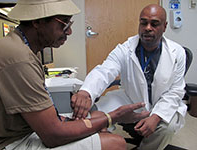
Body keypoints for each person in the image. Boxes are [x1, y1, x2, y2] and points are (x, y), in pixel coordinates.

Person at [0, 0, 150, 150]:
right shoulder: (20, 58)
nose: (69, 31)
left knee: (96, 115)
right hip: (12, 142)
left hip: (28, 129)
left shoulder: (24, 48)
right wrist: (113, 117)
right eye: (64, 23)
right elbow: (52, 136)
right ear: (37, 21)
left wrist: (100, 118)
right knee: (116, 143)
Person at [71, 4, 187, 150]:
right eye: (143, 22)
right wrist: (85, 92)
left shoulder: (177, 53)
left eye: (154, 24)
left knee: (166, 128)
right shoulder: (125, 49)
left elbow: (175, 91)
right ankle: (105, 142)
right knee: (93, 115)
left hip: (163, 103)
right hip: (131, 98)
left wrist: (156, 116)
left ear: (164, 27)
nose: (148, 28)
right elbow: (104, 71)